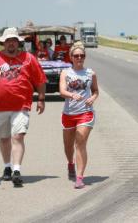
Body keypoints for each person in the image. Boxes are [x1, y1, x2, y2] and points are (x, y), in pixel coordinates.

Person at [0, 27, 46, 187]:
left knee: (18, 136)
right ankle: (7, 166)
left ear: (18, 43)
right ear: (3, 43)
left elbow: (40, 80)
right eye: (8, 41)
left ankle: (16, 170)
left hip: (21, 105)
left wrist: (41, 99)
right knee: (4, 138)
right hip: (0, 107)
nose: (11, 44)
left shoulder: (28, 59)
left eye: (14, 41)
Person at [59, 41, 99, 189]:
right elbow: (62, 91)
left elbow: (96, 91)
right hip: (69, 113)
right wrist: (71, 94)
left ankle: (80, 177)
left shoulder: (91, 73)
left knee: (80, 141)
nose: (79, 58)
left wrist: (93, 98)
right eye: (76, 56)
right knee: (68, 145)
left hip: (85, 113)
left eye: (82, 55)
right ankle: (70, 163)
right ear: (71, 57)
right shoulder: (66, 73)